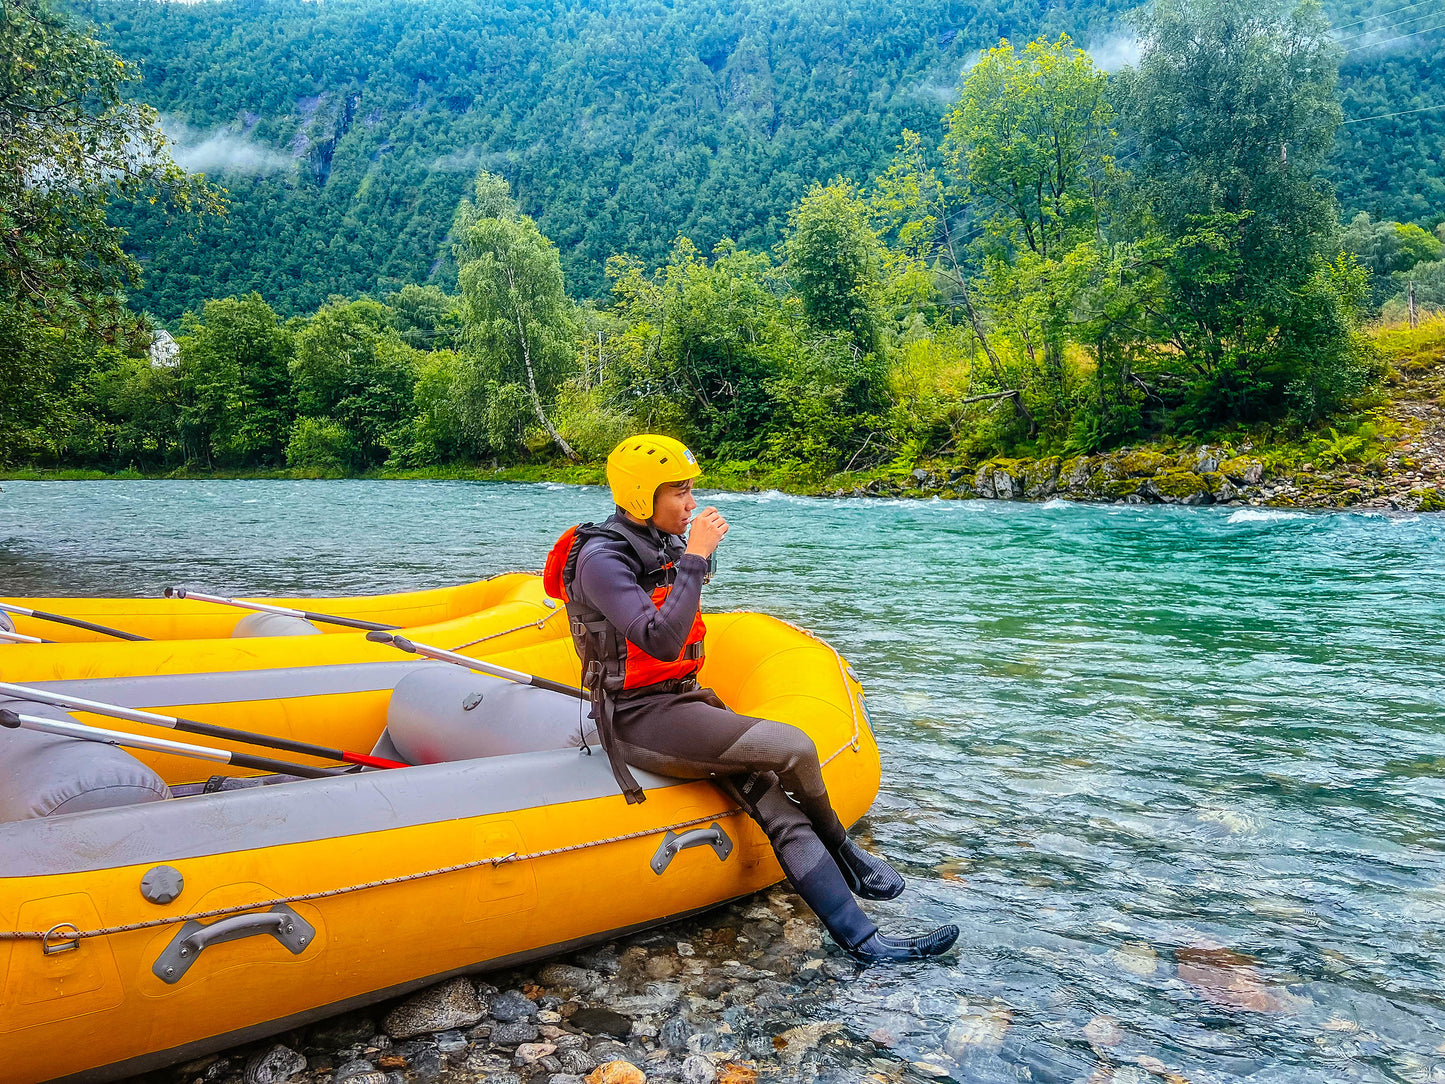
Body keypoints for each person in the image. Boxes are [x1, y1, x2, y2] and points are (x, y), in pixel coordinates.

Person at [544, 434, 958, 963]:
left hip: (683, 702)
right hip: (637, 718)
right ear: (643, 495)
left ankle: (867, 944)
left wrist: (691, 554)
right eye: (680, 492)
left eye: (691, 490)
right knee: (793, 746)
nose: (691, 503)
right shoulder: (601, 560)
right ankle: (843, 848)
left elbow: (681, 604)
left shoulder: (661, 542)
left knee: (780, 811)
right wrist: (696, 556)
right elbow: (661, 640)